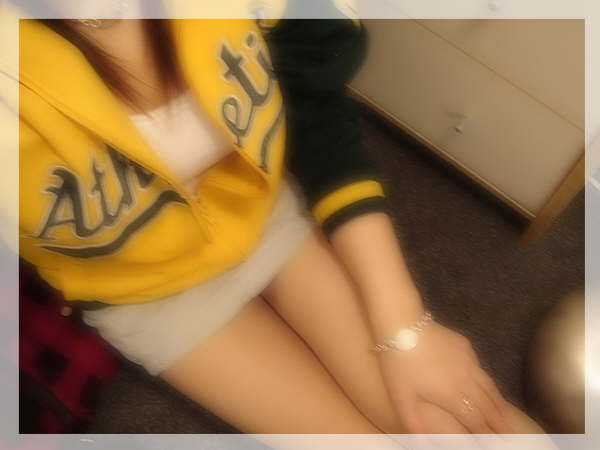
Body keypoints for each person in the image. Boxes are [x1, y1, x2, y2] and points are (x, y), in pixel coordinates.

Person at [15, 6, 545, 434]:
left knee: (451, 425)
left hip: (260, 212)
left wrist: (405, 326)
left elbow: (315, 109)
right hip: (145, 294)